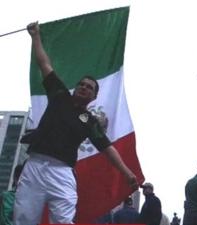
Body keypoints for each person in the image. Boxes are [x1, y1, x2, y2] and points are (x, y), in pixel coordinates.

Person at [13, 22, 138, 225]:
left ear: (94, 96)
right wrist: (35, 37)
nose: (83, 87)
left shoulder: (89, 121)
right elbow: (45, 65)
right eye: (81, 84)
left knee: (63, 221)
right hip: (34, 168)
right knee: (24, 220)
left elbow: (107, 148)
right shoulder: (59, 95)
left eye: (89, 87)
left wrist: (127, 172)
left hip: (62, 173)